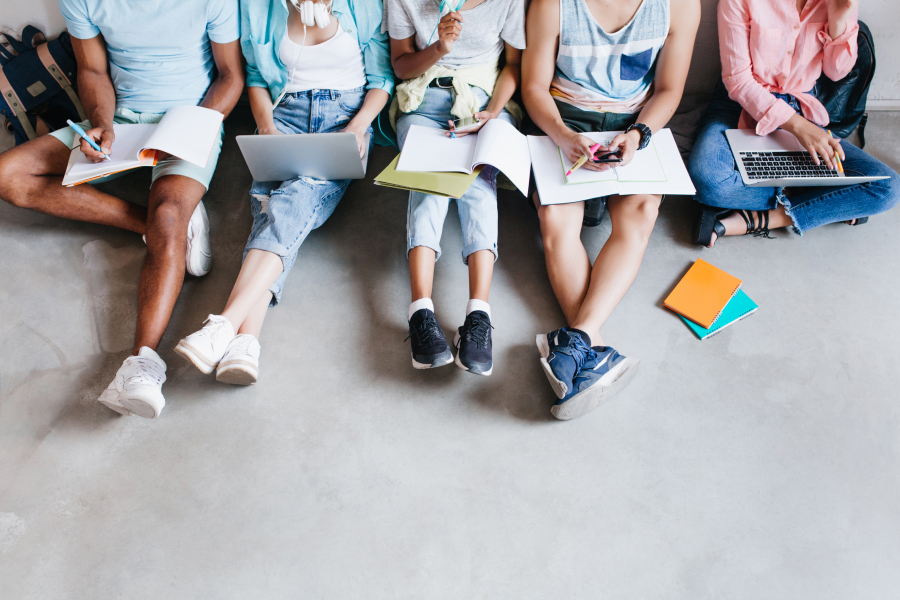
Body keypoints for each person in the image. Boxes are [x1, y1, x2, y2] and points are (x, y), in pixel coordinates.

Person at [0, 0, 244, 418]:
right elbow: (92, 72)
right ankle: (159, 226)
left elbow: (230, 77)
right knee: (8, 175)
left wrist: (194, 127)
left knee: (168, 213)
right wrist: (102, 123)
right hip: (125, 121)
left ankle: (143, 364)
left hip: (191, 119)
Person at [175, 0, 393, 385]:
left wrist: (359, 127)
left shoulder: (363, 6)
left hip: (343, 118)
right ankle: (245, 343)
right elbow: (257, 77)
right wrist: (267, 128)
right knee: (268, 208)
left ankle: (224, 323)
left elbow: (382, 80)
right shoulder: (259, 7)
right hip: (283, 114)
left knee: (293, 202)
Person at [522, 0, 700, 420]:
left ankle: (577, 341)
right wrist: (564, 135)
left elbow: (670, 89)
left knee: (642, 214)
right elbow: (533, 87)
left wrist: (639, 134)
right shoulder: (553, 5)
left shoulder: (680, 6)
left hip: (635, 124)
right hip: (562, 119)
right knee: (556, 219)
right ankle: (593, 348)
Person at [387, 0, 526, 376]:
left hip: (484, 101)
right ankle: (421, 311)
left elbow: (513, 65)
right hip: (422, 100)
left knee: (480, 187)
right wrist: (438, 49)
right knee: (429, 189)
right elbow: (400, 64)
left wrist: (493, 112)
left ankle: (478, 314)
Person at [689, 0, 899, 247]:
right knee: (708, 182)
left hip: (800, 107)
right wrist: (799, 127)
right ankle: (828, 201)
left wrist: (838, 19)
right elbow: (738, 81)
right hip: (739, 105)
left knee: (887, 187)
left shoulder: (839, 3)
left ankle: (760, 219)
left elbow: (837, 72)